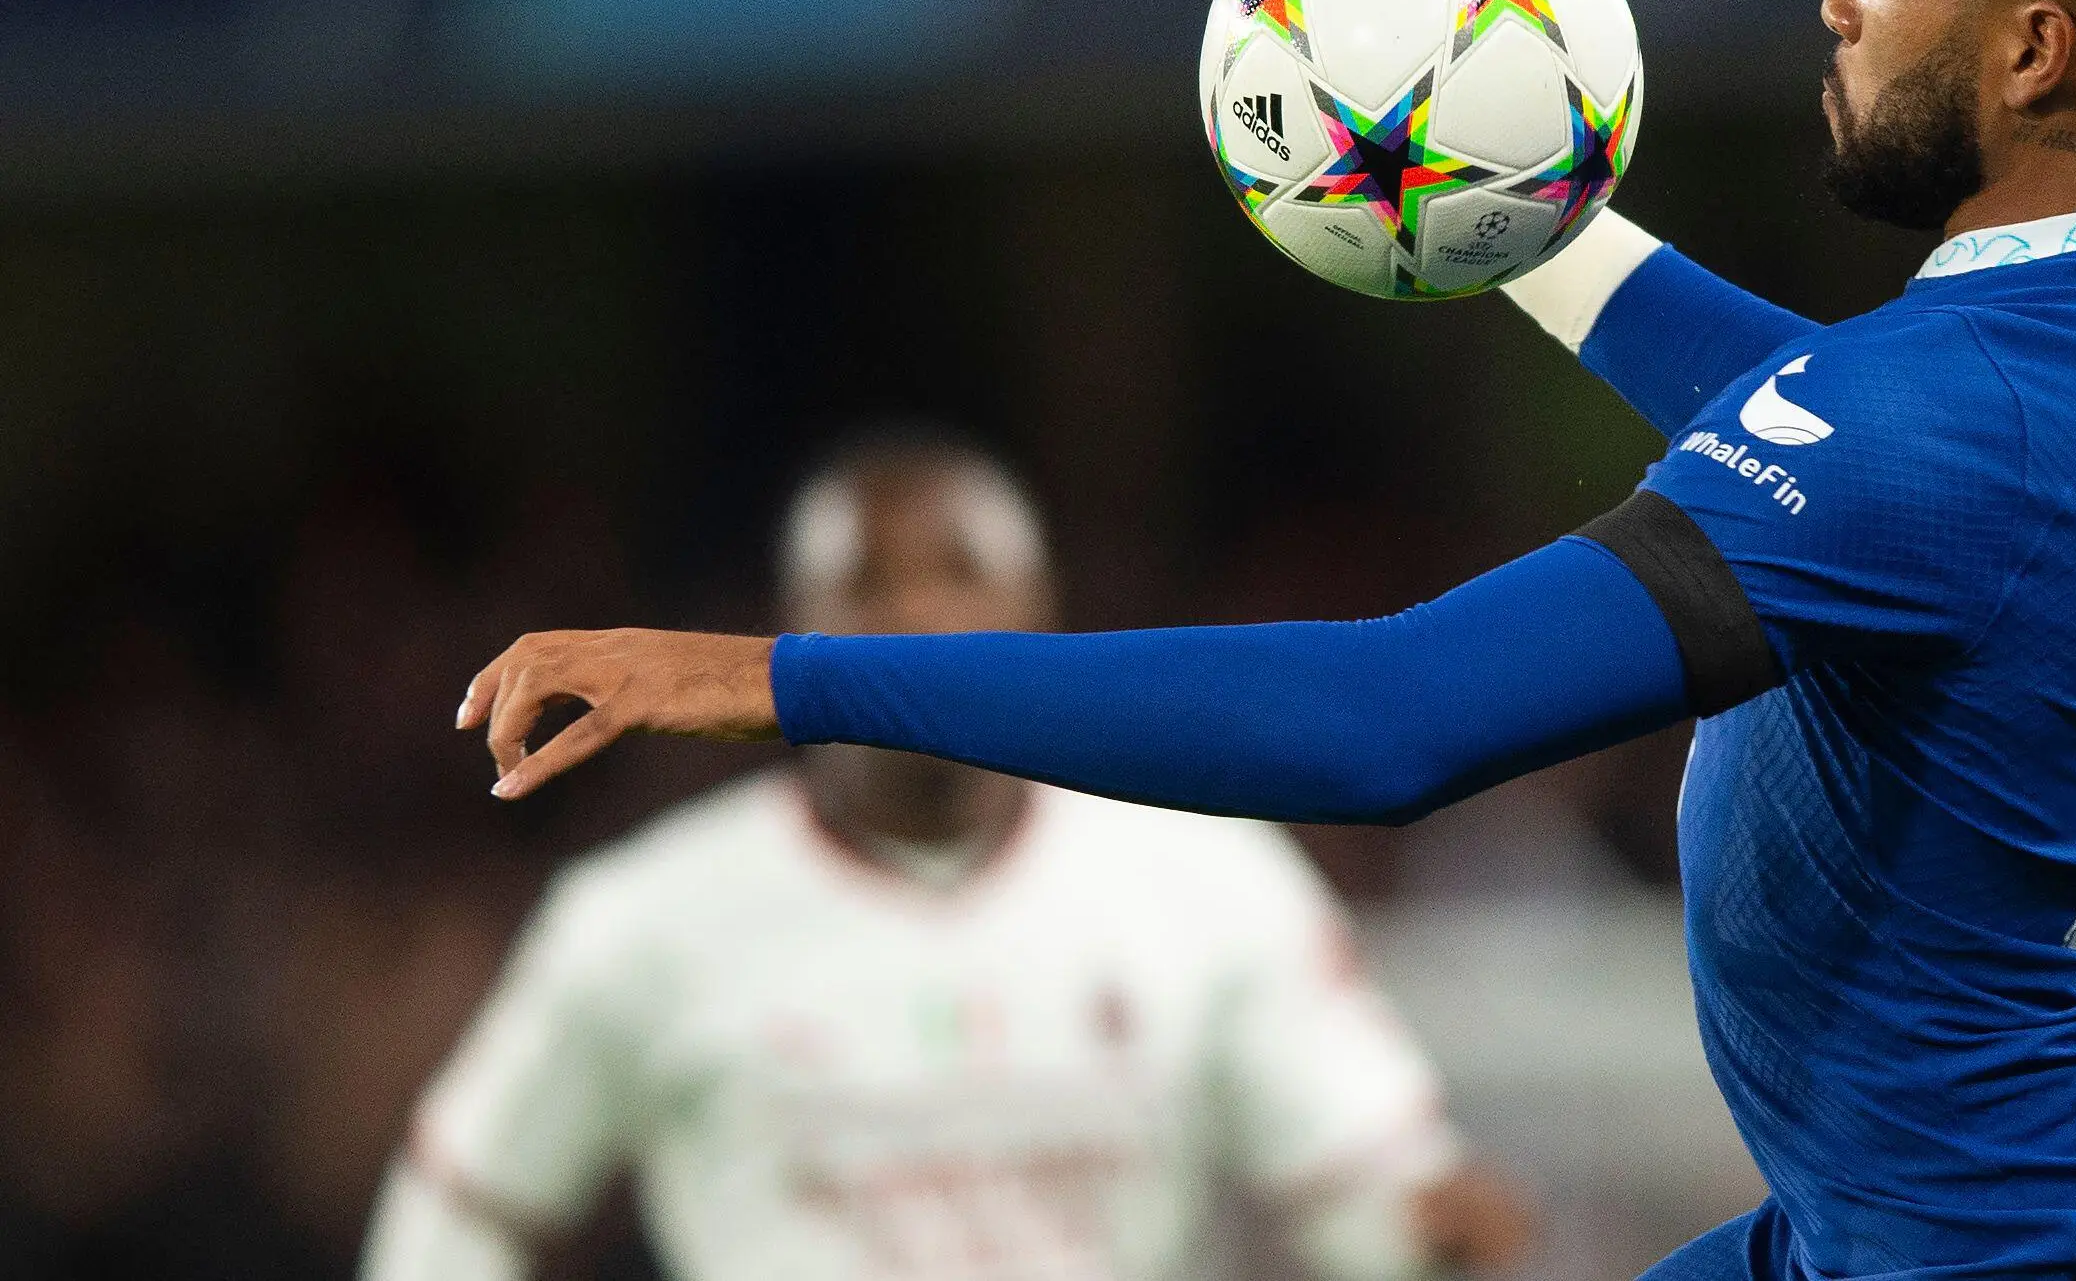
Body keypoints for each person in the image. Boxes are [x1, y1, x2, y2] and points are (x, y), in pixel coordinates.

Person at [462, 0, 2076, 1278]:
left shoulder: (1944, 432)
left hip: (2056, 1240)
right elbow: (1893, 453)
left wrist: (782, 679)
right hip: (1994, 1205)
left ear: (2036, 52)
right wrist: (1505, 208)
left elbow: (1383, 720)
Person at [370, 433, 1535, 1281]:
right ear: (785, 622)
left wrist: (1433, 1228)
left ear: (1042, 607)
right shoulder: (640, 916)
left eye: (959, 569)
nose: (919, 610)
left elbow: (1365, 1191)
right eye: (869, 581)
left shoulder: (1210, 876)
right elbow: (464, 1207)